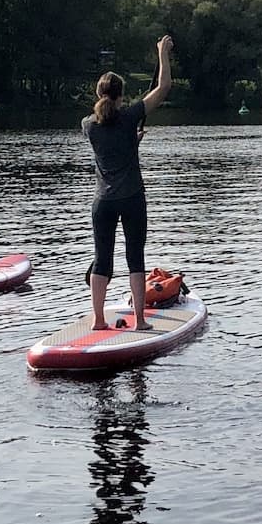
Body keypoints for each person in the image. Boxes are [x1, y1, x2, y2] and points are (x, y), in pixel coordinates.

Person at [82, 37, 172, 332]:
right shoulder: (130, 116)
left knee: (101, 261)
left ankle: (98, 320)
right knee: (135, 258)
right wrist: (161, 54)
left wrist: (131, 143)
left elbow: (108, 147)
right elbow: (163, 89)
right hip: (132, 198)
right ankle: (141, 322)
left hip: (102, 203)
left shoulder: (87, 125)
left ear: (98, 94)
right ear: (121, 96)